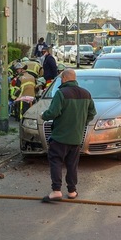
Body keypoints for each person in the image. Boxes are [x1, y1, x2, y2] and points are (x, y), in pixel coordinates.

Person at [40, 69, 96, 202]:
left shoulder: (61, 93)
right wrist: (81, 123)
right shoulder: (86, 94)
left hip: (60, 136)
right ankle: (72, 190)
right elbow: (92, 113)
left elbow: (53, 113)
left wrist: (43, 115)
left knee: (56, 161)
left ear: (64, 79)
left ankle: (56, 191)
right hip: (76, 137)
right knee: (72, 164)